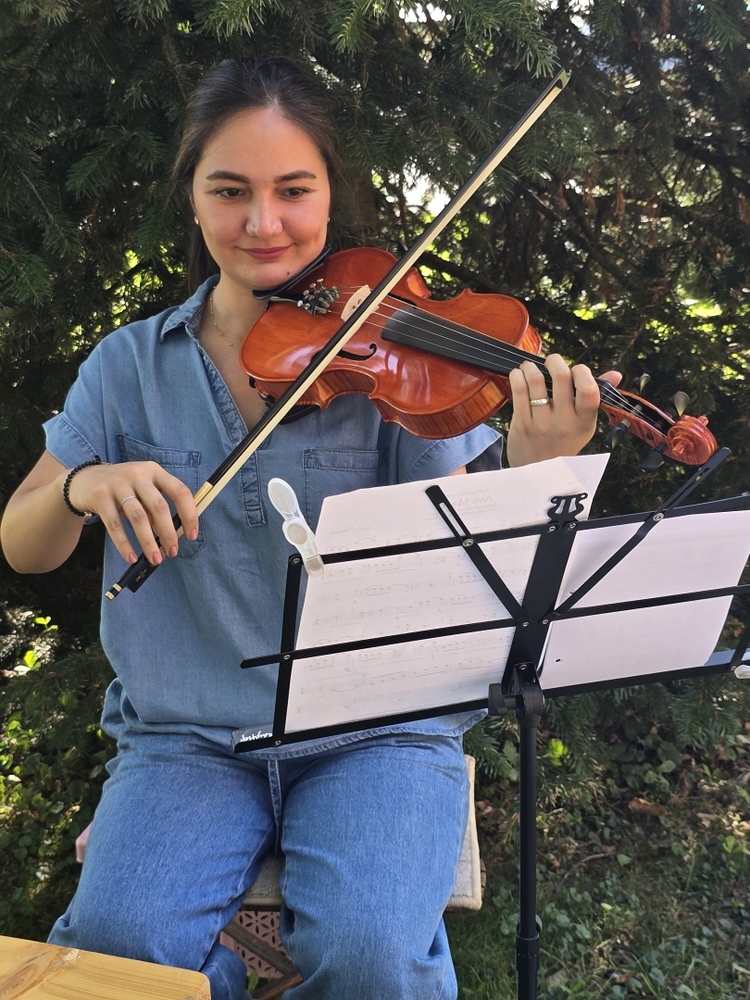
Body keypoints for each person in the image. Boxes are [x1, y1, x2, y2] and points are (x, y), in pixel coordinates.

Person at [0, 57, 620, 1000]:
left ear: (332, 195)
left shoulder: (396, 366)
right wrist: (82, 486)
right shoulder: (128, 368)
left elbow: (472, 570)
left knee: (370, 954)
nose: (264, 223)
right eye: (230, 191)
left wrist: (539, 467)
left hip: (379, 733)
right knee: (120, 948)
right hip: (187, 736)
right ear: (192, 197)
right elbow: (23, 543)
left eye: (294, 190)